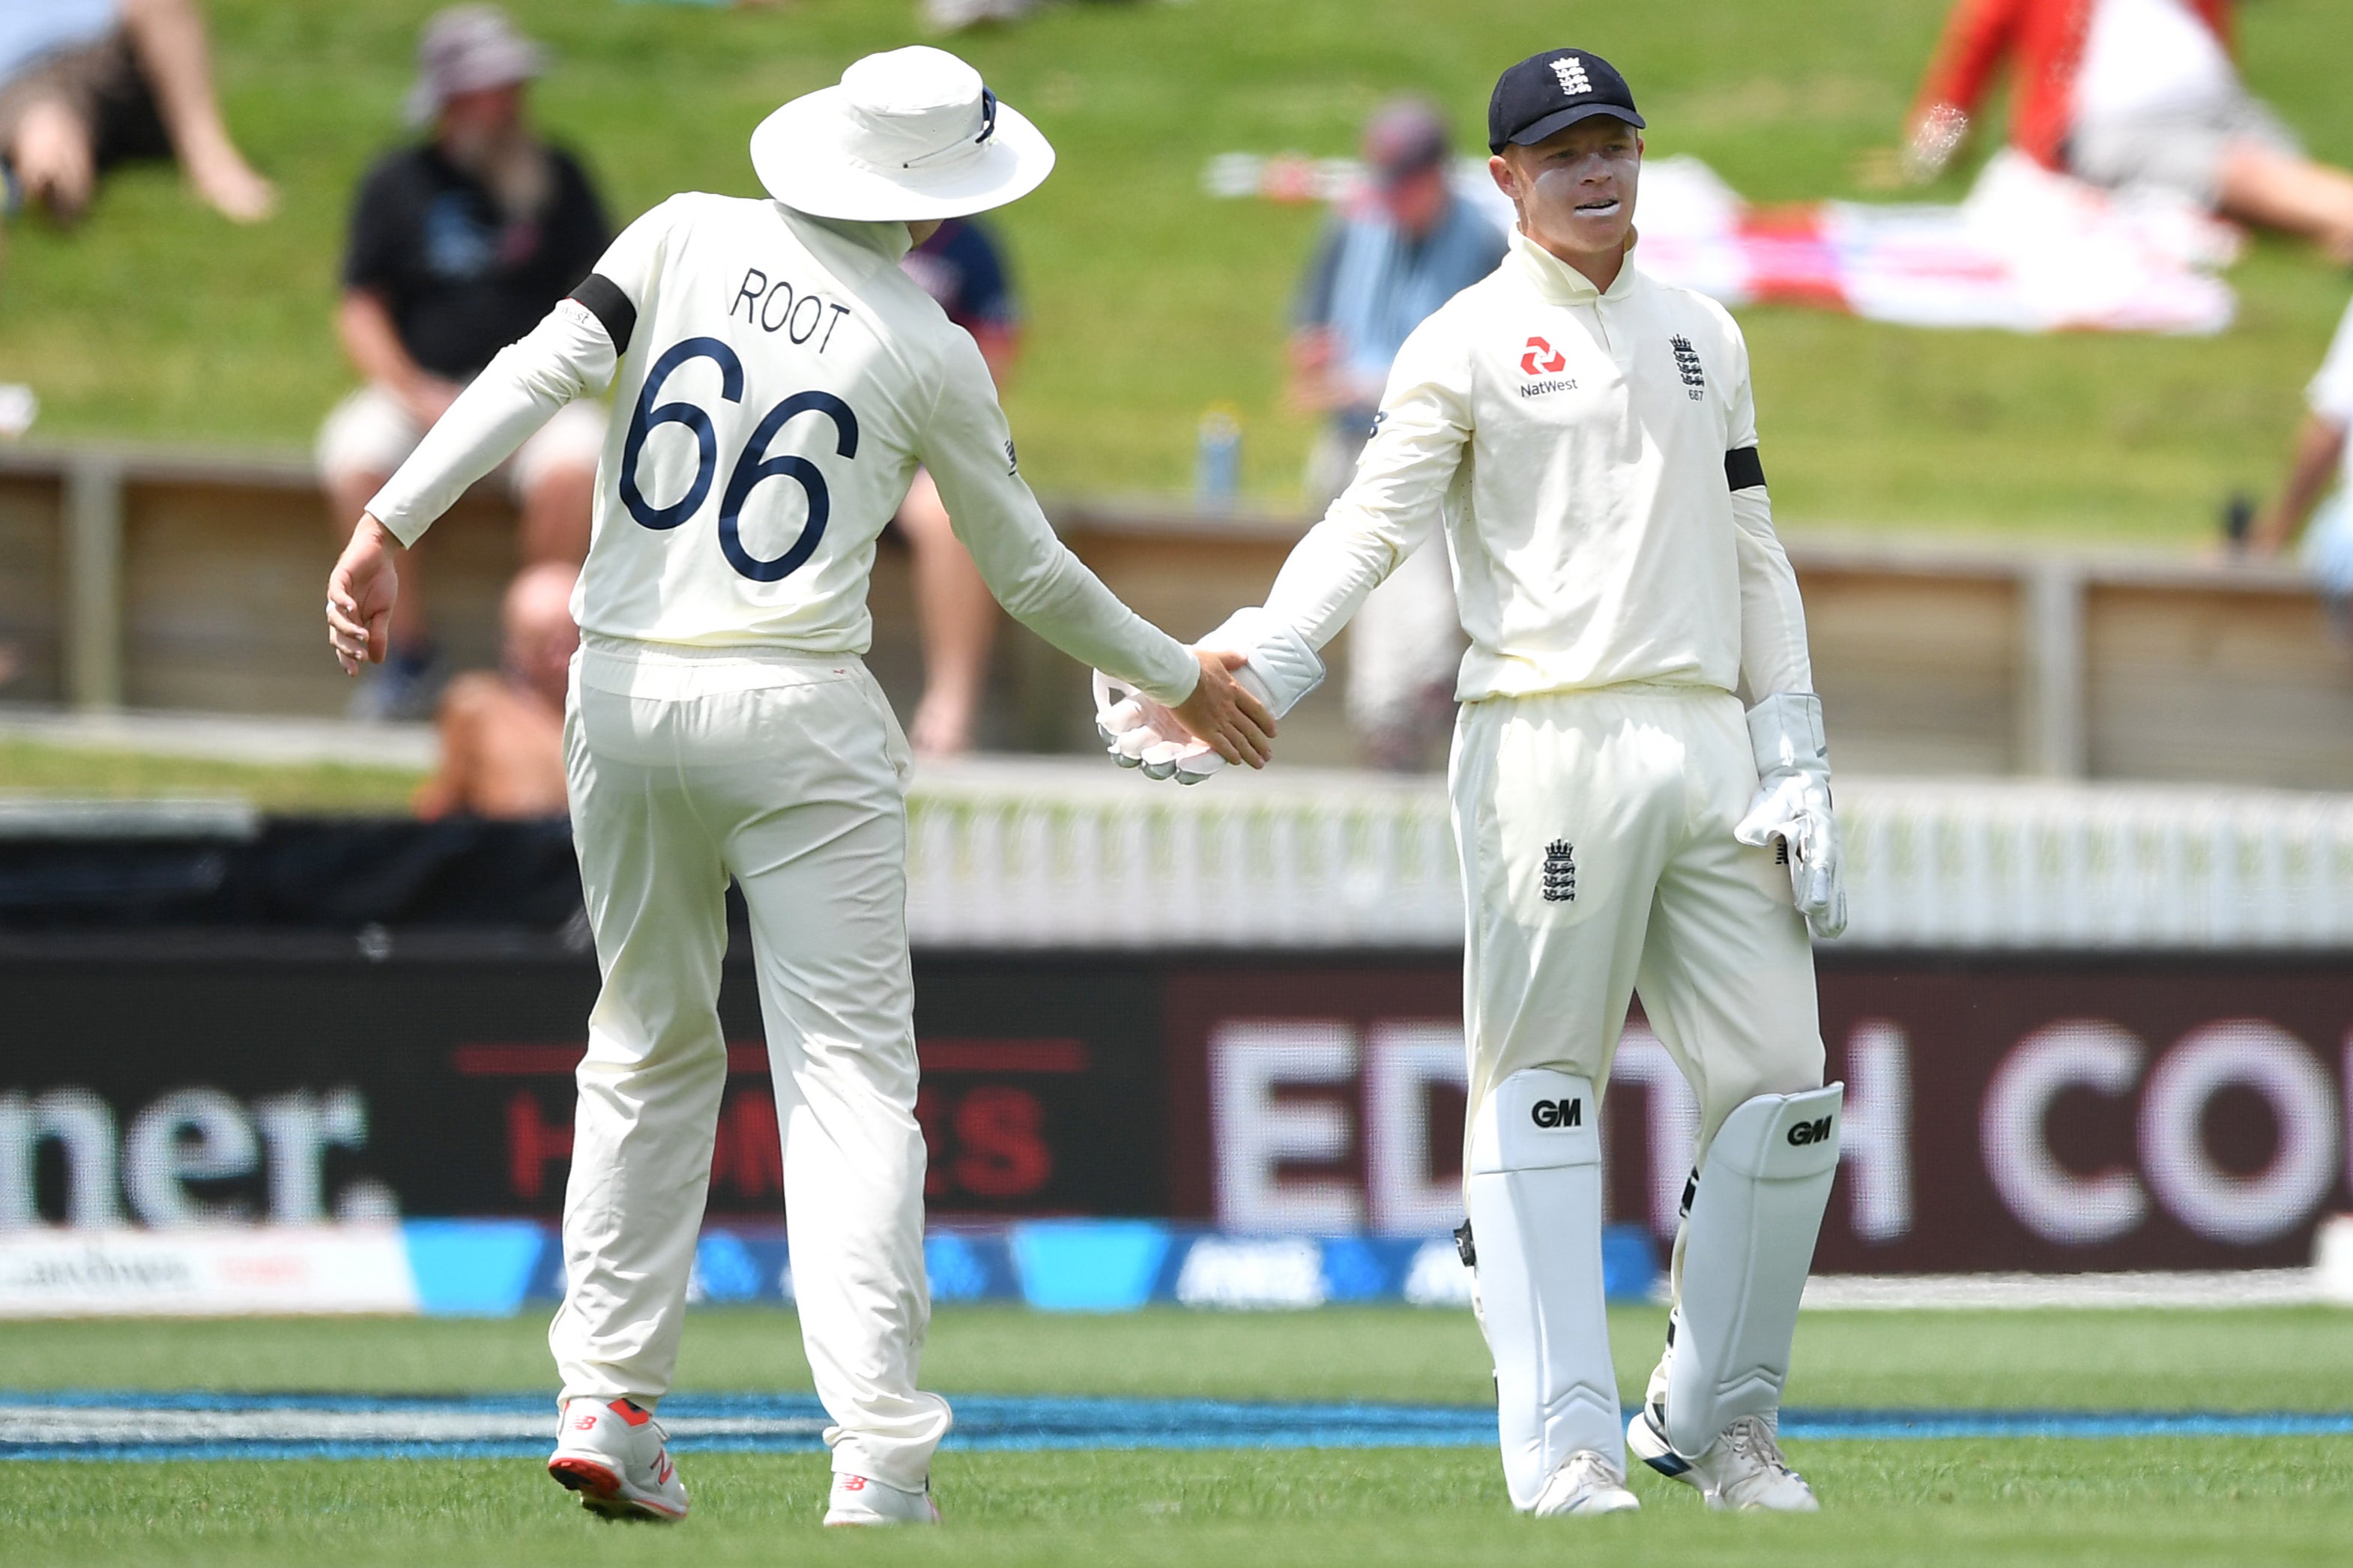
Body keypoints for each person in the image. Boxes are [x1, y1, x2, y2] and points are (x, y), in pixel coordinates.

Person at [324, 45, 1270, 1527]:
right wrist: (1180, 670)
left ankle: (607, 1399)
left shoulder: (680, 229)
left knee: (641, 1041)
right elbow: (1021, 565)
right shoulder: (926, 339)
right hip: (794, 712)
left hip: (620, 689)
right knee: (845, 1087)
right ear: (934, 190)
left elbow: (530, 375)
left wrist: (391, 516)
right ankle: (877, 1451)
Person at [1109, 49, 1847, 1516]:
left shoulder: (1705, 333)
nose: (1593, 171)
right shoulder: (1457, 340)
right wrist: (1255, 661)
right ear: (1504, 180)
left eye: (1613, 143)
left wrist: (1797, 745)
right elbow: (1367, 526)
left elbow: (1754, 551)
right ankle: (1565, 1439)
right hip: (1541, 737)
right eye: (1560, 151)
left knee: (1781, 1089)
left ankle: (1716, 1420)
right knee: (1543, 1093)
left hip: (1706, 734)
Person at [318, 4, 610, 721]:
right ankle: (406, 656)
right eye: (493, 86)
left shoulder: (557, 176)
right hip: (425, 392)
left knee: (580, 461)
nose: (512, 101)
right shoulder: (397, 183)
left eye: (514, 84)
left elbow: (606, 288)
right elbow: (359, 306)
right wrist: (414, 391)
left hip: (541, 396)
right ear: (451, 100)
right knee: (356, 451)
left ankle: (539, 660)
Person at [1289, 99, 1505, 770]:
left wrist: (1370, 385)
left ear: (1439, 175)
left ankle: (1393, 711)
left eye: (1403, 181)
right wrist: (1323, 361)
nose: (1389, 197)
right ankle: (1415, 690)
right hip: (1352, 441)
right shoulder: (1352, 227)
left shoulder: (1485, 245)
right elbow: (1310, 337)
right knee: (1382, 530)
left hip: (1448, 445)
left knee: (1402, 534)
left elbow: (1484, 369)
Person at [1902, 0, 2353, 263]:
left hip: (2219, 108)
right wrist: (1936, 146)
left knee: (2281, 166)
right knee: (2249, 176)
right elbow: (1976, 50)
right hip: (2111, 125)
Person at [894, 215, 1022, 755]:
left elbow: (994, 358)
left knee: (946, 514)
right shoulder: (838, 231)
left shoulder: (970, 245)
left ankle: (949, 707)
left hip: (925, 442)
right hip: (833, 433)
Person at [0, 0, 274, 225]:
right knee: (47, 138)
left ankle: (213, 160)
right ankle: (54, 184)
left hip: (112, 40)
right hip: (24, 75)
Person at [412, 562, 577, 821]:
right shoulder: (478, 708)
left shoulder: (624, 714)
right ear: (511, 646)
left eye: (569, 641)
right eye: (542, 644)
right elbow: (440, 806)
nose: (560, 660)